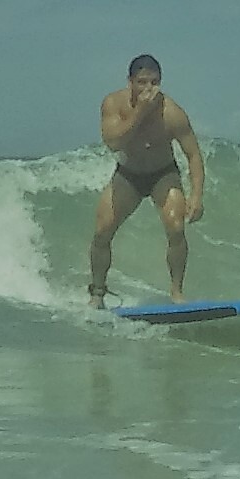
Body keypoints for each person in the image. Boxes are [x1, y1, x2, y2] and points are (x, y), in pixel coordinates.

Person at [88, 54, 205, 308]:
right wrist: (140, 112)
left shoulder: (172, 113)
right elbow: (113, 142)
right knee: (102, 232)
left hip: (163, 174)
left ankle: (176, 293)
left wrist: (196, 196)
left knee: (176, 227)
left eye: (154, 82)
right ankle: (97, 293)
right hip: (128, 174)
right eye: (141, 82)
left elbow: (193, 155)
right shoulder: (113, 104)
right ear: (130, 81)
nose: (148, 89)